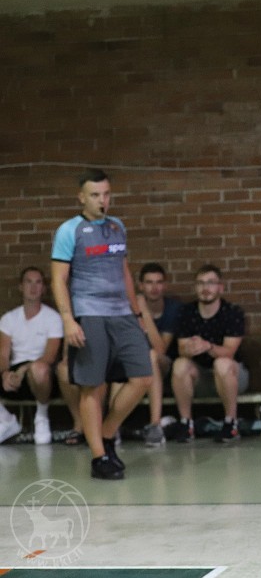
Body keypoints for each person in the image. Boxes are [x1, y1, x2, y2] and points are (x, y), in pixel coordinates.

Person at [50, 168, 153, 480]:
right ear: (82, 197)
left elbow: (124, 272)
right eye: (95, 195)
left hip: (122, 312)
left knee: (143, 377)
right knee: (93, 385)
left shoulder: (117, 226)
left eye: (106, 194)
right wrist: (68, 320)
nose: (102, 200)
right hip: (89, 312)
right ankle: (99, 457)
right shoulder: (69, 230)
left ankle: (106, 434)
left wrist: (137, 314)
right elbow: (59, 279)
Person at [169, 264, 247, 444]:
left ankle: (231, 423)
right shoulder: (187, 312)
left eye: (211, 283)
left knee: (222, 363)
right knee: (180, 364)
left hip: (232, 375)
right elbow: (181, 348)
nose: (206, 288)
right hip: (200, 376)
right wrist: (190, 348)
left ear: (220, 287)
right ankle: (186, 424)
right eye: (201, 283)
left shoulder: (232, 312)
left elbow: (229, 351)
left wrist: (207, 346)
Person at [0, 267, 64, 445]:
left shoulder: (53, 318)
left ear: (43, 288)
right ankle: (6, 420)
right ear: (21, 286)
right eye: (28, 282)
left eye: (38, 282)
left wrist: (23, 370)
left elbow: (50, 356)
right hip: (15, 375)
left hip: (42, 376)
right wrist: (5, 373)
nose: (33, 287)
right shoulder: (8, 319)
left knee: (39, 369)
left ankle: (41, 417)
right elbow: (3, 355)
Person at [131, 262, 182, 446]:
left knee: (152, 355)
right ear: (141, 286)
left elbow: (161, 349)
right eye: (149, 282)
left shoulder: (173, 309)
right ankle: (113, 430)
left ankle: (155, 425)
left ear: (165, 285)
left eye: (159, 282)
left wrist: (144, 312)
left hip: (165, 366)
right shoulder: (129, 308)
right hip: (136, 365)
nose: (154, 288)